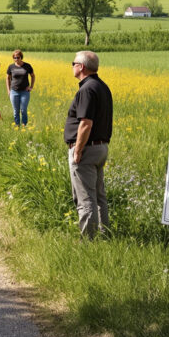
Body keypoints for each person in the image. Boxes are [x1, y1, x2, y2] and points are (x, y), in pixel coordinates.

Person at [64, 50, 113, 239]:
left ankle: (88, 242)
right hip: (100, 148)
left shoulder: (86, 89)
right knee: (99, 197)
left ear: (81, 66)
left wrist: (78, 150)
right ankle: (105, 235)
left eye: (73, 63)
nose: (73, 66)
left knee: (85, 199)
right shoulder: (102, 86)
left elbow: (86, 123)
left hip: (87, 149)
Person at [6, 49, 36, 127]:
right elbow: (7, 78)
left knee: (23, 110)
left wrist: (31, 87)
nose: (16, 59)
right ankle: (17, 125)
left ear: (21, 57)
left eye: (18, 57)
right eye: (14, 57)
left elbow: (33, 76)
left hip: (25, 92)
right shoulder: (11, 67)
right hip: (14, 91)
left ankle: (24, 125)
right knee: (16, 111)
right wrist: (8, 90)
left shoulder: (27, 66)